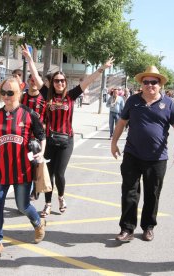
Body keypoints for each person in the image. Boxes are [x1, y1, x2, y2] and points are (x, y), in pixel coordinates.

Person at [111, 65, 174, 242]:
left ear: (160, 85)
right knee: (129, 192)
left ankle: (148, 227)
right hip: (132, 154)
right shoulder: (133, 101)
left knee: (152, 194)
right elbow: (121, 124)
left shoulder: (169, 104)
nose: (150, 85)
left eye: (154, 82)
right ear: (141, 84)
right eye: (146, 82)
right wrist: (114, 143)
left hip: (157, 158)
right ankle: (127, 228)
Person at [0, 77, 47, 262]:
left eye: (11, 93)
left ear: (19, 93)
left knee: (22, 205)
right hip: (0, 171)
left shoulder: (28, 114)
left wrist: (41, 153)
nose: (7, 96)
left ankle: (38, 223)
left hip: (22, 170)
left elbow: (41, 134)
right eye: (4, 92)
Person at [40, 57, 114, 217]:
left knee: (59, 174)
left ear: (66, 82)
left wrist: (102, 68)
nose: (59, 83)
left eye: (62, 81)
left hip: (67, 140)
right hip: (50, 140)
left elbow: (87, 81)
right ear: (52, 83)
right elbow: (34, 73)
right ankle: (47, 203)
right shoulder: (47, 95)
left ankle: (60, 197)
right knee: (49, 175)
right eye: (56, 81)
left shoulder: (71, 96)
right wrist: (29, 59)